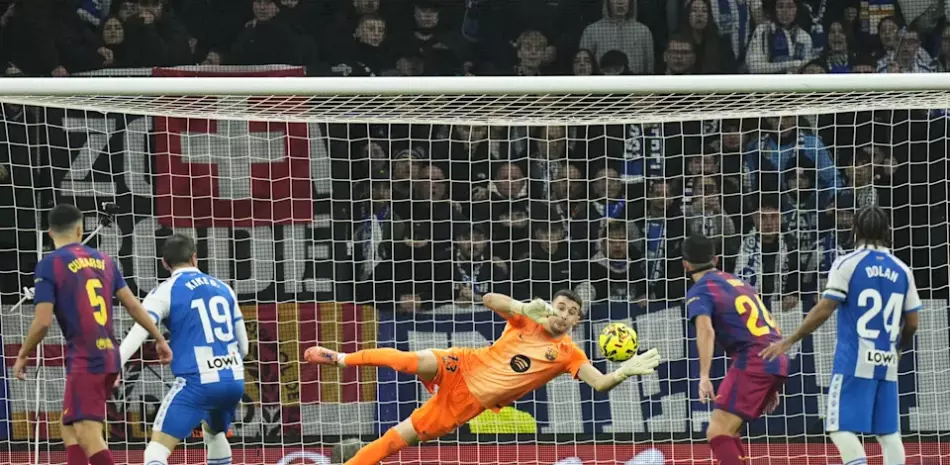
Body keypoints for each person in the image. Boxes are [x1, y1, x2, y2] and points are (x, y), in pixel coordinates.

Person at [305, 289, 661, 465]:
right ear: (552, 305)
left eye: (571, 313)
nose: (562, 314)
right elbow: (490, 299)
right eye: (560, 306)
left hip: (467, 402)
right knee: (407, 360)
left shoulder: (570, 353)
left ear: (576, 323)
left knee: (394, 440)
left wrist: (622, 372)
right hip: (464, 362)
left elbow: (598, 383)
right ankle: (341, 358)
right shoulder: (529, 317)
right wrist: (521, 307)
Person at [12, 204, 172, 465]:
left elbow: (42, 322)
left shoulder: (50, 264)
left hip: (87, 359)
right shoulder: (104, 260)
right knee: (69, 425)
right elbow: (133, 305)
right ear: (80, 229)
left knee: (88, 434)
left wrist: (22, 354)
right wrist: (160, 338)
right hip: (108, 355)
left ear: (50, 233)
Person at [761, 206, 919, 465]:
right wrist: (898, 348)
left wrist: (790, 339)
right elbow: (912, 322)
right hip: (887, 362)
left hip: (854, 360)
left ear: (854, 230)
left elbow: (825, 308)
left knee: (838, 427)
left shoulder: (847, 264)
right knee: (888, 433)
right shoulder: (902, 269)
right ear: (887, 231)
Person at [118, 234, 248, 465]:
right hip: (234, 379)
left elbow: (138, 333)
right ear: (194, 258)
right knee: (215, 433)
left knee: (155, 451)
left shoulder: (164, 292)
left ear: (164, 263)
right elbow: (244, 347)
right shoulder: (224, 289)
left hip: (197, 382)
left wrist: (114, 365)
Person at [683, 234, 788, 465]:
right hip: (775, 357)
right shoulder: (740, 283)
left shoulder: (700, 290)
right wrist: (770, 379)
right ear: (716, 259)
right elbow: (768, 321)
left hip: (753, 361)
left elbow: (706, 331)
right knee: (730, 432)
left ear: (686, 264)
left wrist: (703, 376)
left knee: (717, 432)